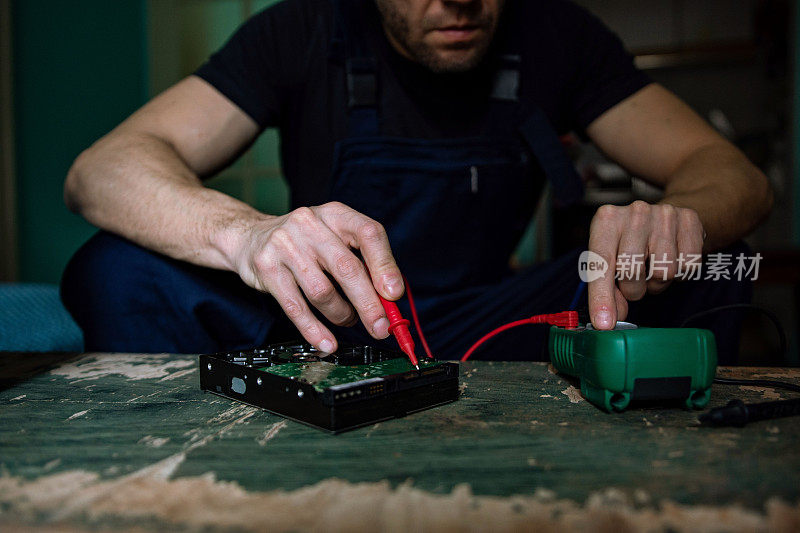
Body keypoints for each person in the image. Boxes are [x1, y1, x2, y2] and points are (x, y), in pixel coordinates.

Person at [61, 0, 772, 363]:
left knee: (709, 257)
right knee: (115, 268)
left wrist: (676, 217)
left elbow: (730, 173)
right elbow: (102, 169)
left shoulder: (557, 34)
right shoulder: (301, 29)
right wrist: (246, 235)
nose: (460, 1)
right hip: (320, 335)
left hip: (488, 333)